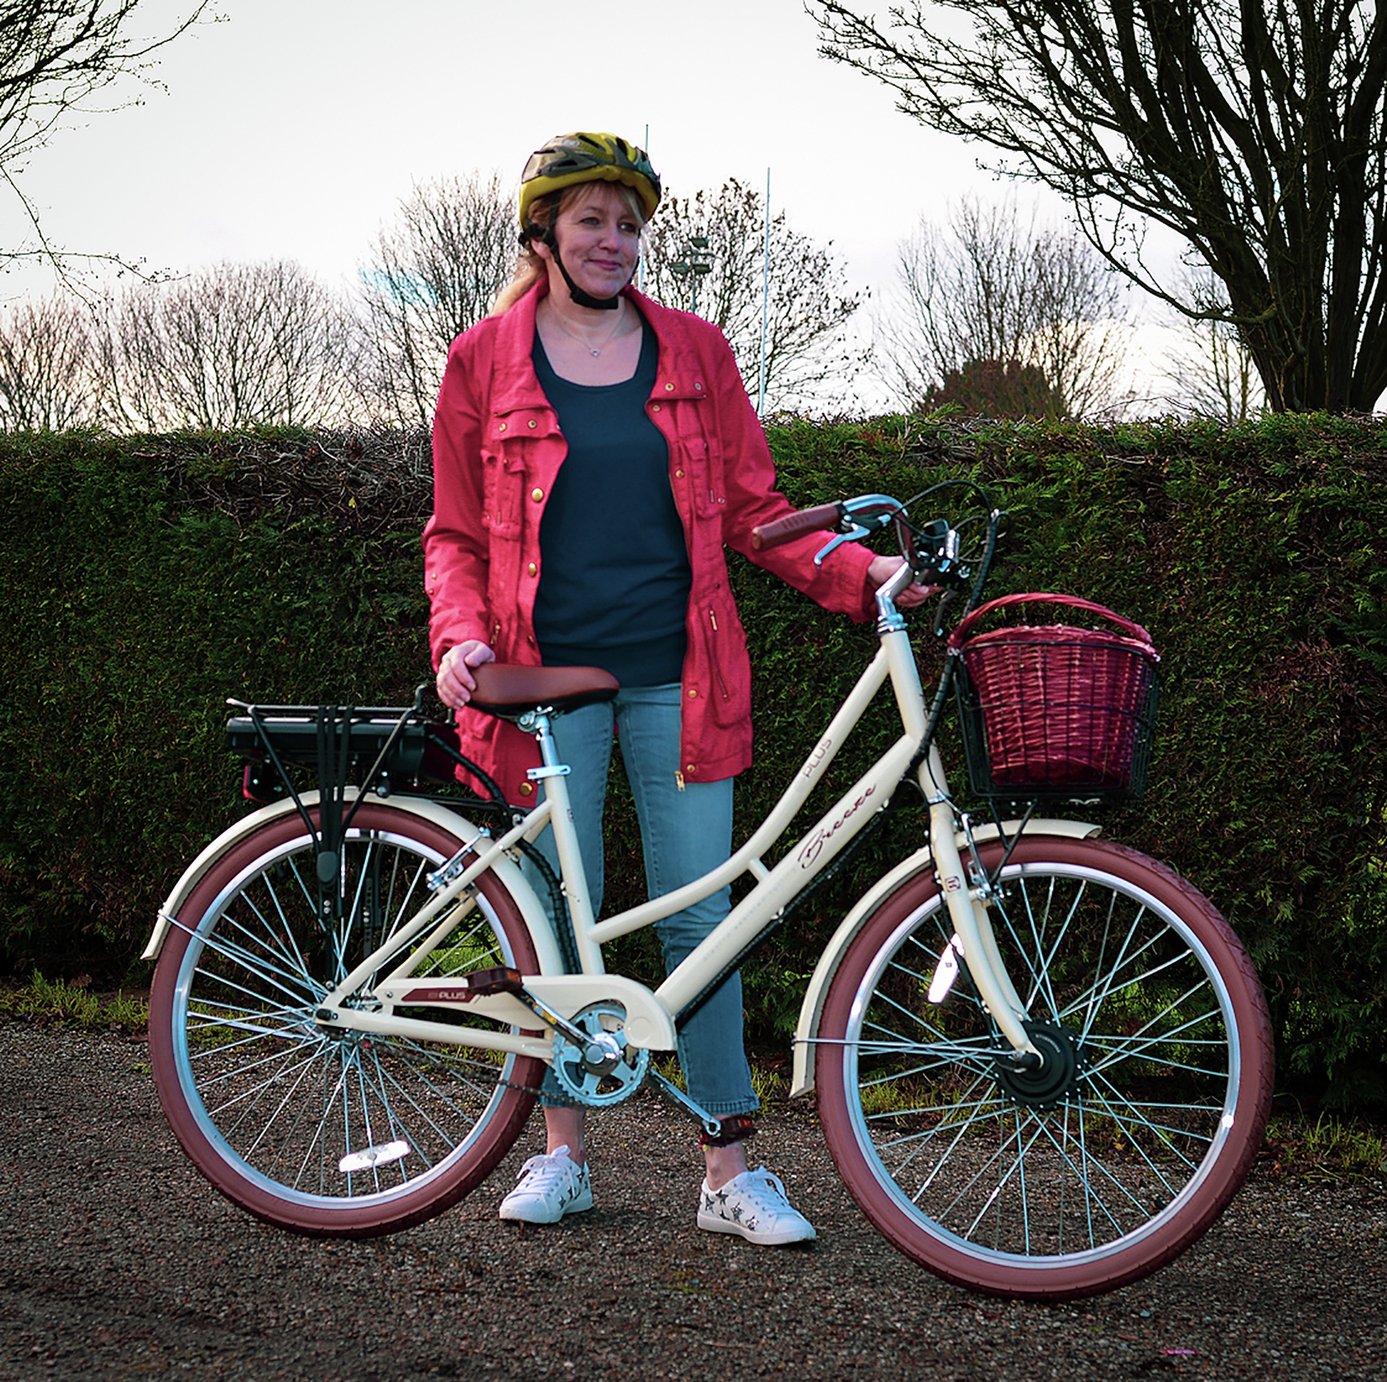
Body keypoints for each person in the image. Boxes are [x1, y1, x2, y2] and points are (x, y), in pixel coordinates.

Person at [424, 132, 923, 1246]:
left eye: (631, 222)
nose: (616, 241)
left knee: (707, 919)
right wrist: (456, 635)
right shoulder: (481, 360)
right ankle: (564, 1155)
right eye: (593, 220)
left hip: (680, 677)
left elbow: (756, 510)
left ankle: (726, 1169)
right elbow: (454, 533)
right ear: (542, 233)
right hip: (539, 690)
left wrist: (863, 578)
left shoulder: (696, 350)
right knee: (562, 925)